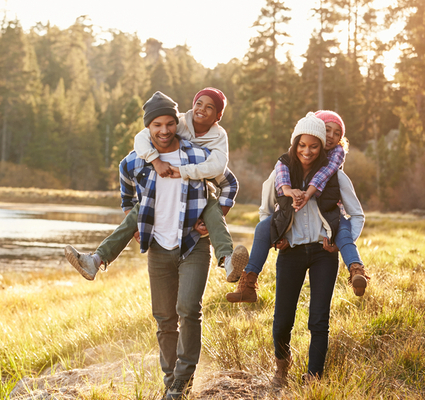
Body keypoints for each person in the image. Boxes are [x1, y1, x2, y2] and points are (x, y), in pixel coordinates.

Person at [115, 91, 239, 399]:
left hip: (193, 244)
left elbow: (229, 182)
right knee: (164, 319)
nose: (164, 130)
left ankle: (181, 384)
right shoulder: (136, 159)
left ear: (176, 124)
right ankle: (170, 380)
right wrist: (133, 222)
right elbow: (126, 193)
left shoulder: (198, 155)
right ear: (148, 127)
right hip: (158, 246)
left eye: (169, 124)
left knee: (188, 309)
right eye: (157, 125)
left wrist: (213, 219)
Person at [64, 88, 248, 283]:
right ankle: (95, 260)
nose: (201, 109)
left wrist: (214, 216)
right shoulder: (179, 123)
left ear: (218, 116)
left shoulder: (218, 138)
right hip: (160, 194)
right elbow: (142, 138)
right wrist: (155, 161)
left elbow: (222, 170)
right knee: (138, 212)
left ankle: (228, 261)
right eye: (199, 103)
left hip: (200, 192)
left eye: (209, 107)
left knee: (212, 210)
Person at [256, 112, 365, 385]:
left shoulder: (336, 176)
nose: (308, 150)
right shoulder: (281, 172)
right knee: (282, 319)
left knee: (319, 319)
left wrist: (340, 243)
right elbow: (265, 211)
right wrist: (276, 236)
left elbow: (357, 215)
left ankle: (314, 376)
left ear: (321, 147)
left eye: (315, 145)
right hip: (290, 252)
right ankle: (282, 366)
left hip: (322, 254)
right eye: (303, 145)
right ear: (297, 143)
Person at [226, 110, 370, 303]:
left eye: (337, 133)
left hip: (330, 222)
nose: (331, 137)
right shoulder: (285, 164)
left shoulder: (334, 164)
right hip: (292, 238)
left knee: (343, 232)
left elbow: (326, 177)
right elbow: (268, 204)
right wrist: (278, 234)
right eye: (327, 130)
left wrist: (308, 194)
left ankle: (356, 270)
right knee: (262, 228)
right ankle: (248, 281)